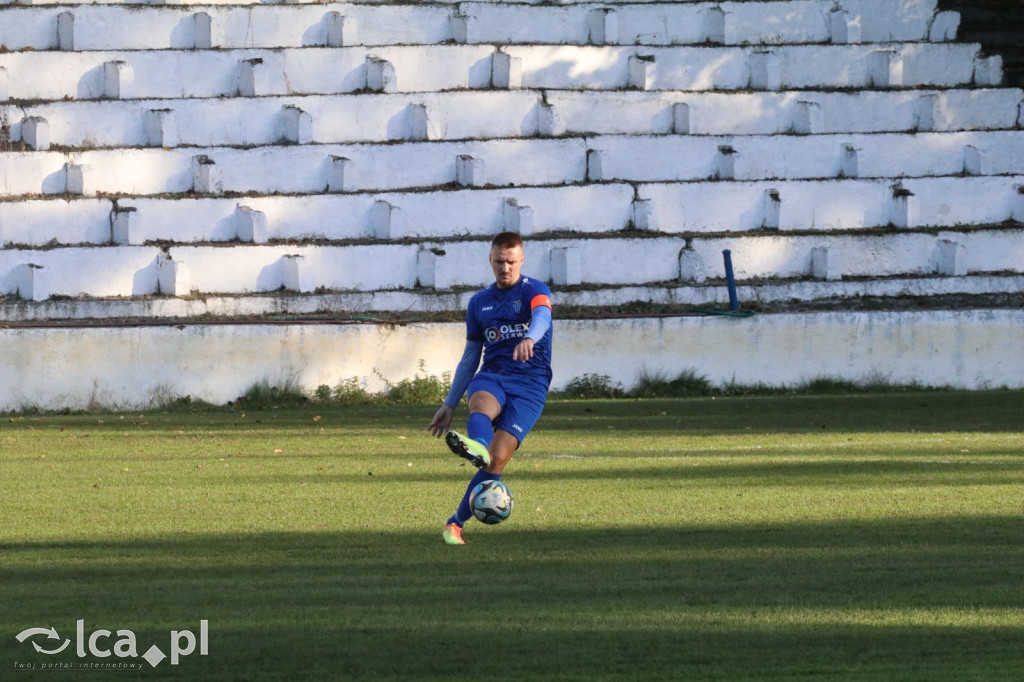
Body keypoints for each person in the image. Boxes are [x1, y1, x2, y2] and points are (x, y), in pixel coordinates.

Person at [427, 232, 553, 545]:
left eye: (511, 262)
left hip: (531, 384)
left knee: (498, 460)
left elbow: (543, 317)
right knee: (480, 402)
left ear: (521, 260)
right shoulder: (479, 303)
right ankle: (478, 445)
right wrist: (449, 403)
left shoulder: (534, 290)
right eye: (499, 261)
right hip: (493, 375)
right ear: (490, 260)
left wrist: (529, 339)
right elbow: (471, 357)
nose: (505, 268)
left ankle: (455, 523)